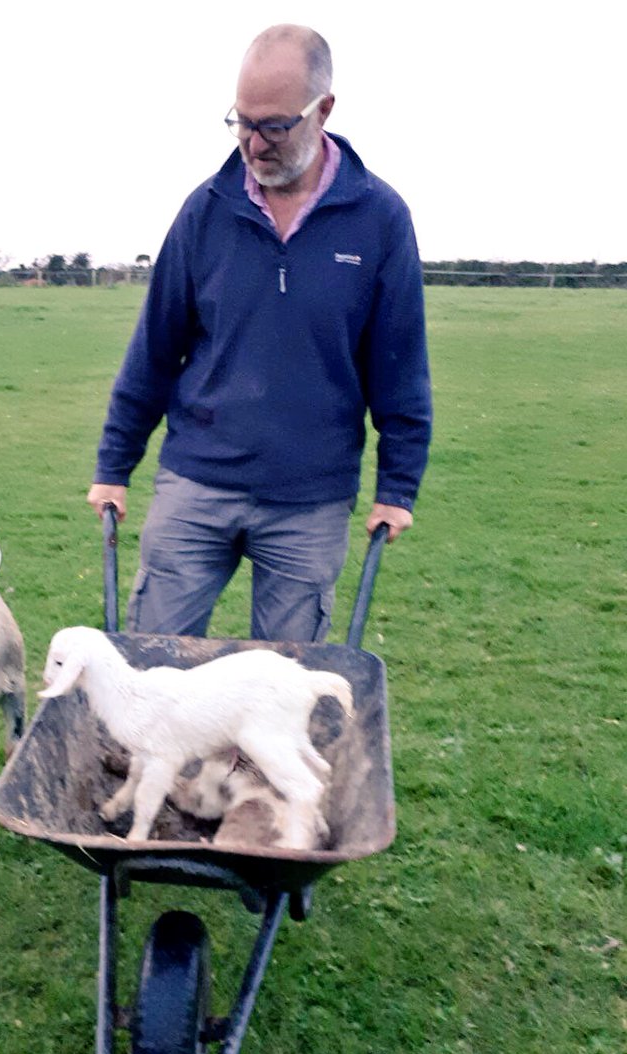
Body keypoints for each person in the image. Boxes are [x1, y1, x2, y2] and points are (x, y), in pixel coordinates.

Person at [87, 24, 432, 642]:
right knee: (150, 669)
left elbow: (400, 366)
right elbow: (154, 350)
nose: (253, 142)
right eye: (242, 122)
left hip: (310, 501)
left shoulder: (380, 219)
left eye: (273, 125)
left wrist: (397, 486)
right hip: (196, 485)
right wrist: (114, 464)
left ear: (323, 110)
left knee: (283, 694)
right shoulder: (206, 210)